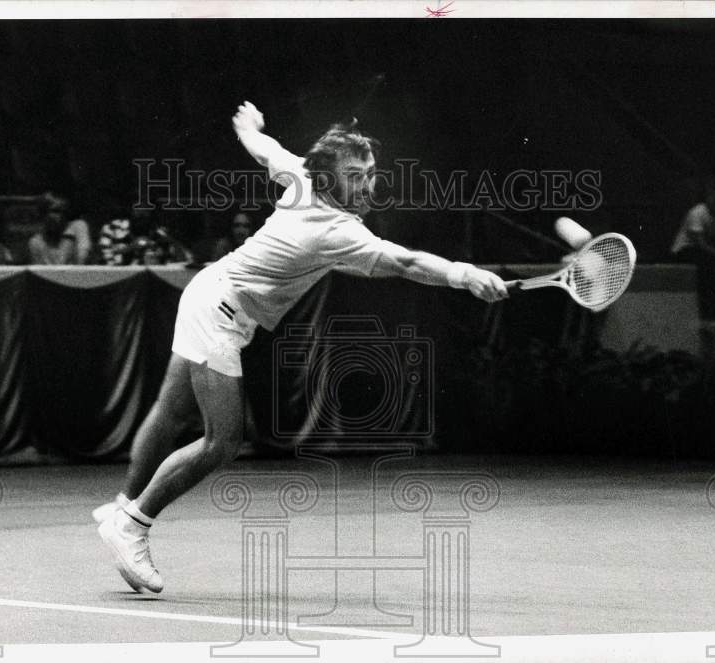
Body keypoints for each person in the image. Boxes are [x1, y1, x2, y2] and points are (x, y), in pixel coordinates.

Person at [95, 101, 508, 593]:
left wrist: (250, 128)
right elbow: (409, 263)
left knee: (170, 409)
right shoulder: (337, 230)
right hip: (219, 311)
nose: (366, 184)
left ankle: (123, 505)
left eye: (371, 173)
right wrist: (465, 275)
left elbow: (267, 151)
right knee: (222, 441)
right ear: (329, 180)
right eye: (355, 175)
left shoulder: (301, 180)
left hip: (211, 292)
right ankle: (132, 524)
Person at [671, 177, 715, 357]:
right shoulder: (697, 212)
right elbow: (702, 245)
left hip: (711, 252)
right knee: (707, 262)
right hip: (685, 250)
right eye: (712, 194)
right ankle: (709, 316)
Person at [27, 194, 92, 265]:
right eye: (56, 211)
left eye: (64, 211)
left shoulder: (78, 227)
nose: (61, 215)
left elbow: (82, 262)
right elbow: (39, 273)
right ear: (44, 213)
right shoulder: (35, 243)